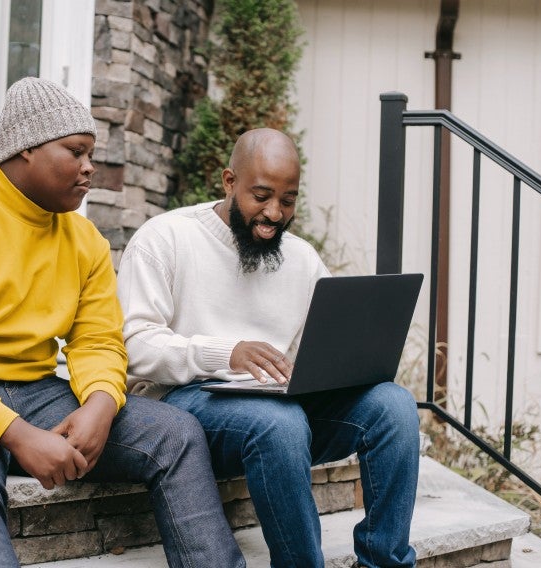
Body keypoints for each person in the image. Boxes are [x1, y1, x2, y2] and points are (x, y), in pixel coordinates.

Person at [0, 76, 245, 568]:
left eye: (91, 153)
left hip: (39, 389)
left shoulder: (85, 240)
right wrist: (16, 434)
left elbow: (97, 339)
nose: (90, 167)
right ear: (25, 149)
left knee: (176, 433)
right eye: (76, 151)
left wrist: (100, 402)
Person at [117, 127, 420, 568]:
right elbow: (134, 345)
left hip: (275, 405)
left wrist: (332, 369)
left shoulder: (301, 258)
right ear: (228, 181)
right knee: (278, 423)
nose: (274, 213)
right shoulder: (165, 238)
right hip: (184, 402)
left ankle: (384, 562)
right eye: (261, 195)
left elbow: (325, 345)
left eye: (288, 200)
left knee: (393, 406)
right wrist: (226, 352)